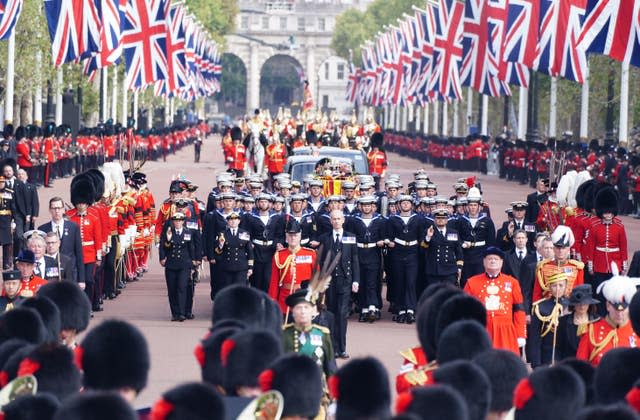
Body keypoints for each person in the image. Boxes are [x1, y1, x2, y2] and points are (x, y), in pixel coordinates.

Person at [464, 246, 527, 355]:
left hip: (506, 331)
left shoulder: (512, 282)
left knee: (506, 363)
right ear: (484, 262)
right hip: (482, 330)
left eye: (496, 259)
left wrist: (520, 334)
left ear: (501, 262)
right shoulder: (472, 282)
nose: (492, 261)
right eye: (489, 258)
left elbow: (519, 310)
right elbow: (464, 310)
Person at [318, 210, 359, 359]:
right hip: (330, 282)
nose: (336, 221)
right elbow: (321, 262)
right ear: (330, 221)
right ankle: (333, 348)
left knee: (342, 314)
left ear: (343, 220)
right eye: (333, 219)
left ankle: (342, 348)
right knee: (332, 314)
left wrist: (356, 280)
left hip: (345, 280)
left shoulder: (351, 237)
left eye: (338, 218)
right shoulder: (325, 238)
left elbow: (355, 259)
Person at [576, 275, 638, 366]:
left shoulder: (637, 331)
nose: (619, 314)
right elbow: (580, 367)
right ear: (608, 306)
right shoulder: (591, 330)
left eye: (623, 310)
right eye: (616, 309)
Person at [282, 287, 336, 380]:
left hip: (317, 390)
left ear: (313, 310)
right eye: (299, 308)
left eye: (306, 307)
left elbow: (331, 368)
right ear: (292, 311)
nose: (303, 311)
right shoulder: (283, 334)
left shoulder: (323, 334)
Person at [269, 219, 316, 312]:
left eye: (295, 235)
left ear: (300, 236)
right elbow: (274, 281)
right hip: (285, 299)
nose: (293, 238)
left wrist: (317, 300)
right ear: (286, 236)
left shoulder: (311, 254)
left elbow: (316, 279)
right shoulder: (279, 255)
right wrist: (272, 300)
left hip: (304, 298)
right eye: (290, 235)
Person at [159, 212, 198, 322]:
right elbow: (163, 246)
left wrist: (194, 261)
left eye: (180, 221)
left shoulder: (187, 232)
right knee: (172, 289)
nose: (178, 222)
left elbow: (192, 248)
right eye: (176, 221)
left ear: (183, 221)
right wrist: (162, 257)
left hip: (184, 264)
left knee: (182, 287)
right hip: (171, 263)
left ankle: (182, 313)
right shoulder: (169, 232)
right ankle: (175, 313)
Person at [38, 196, 85, 287]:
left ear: (63, 210)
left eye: (59, 208)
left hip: (70, 272)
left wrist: (81, 279)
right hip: (50, 275)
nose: (57, 211)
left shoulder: (73, 227)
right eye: (54, 208)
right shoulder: (42, 229)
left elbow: (79, 254)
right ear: (50, 210)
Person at [533, 225, 584, 303]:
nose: (560, 251)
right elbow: (537, 293)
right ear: (553, 248)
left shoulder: (577, 268)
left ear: (568, 249)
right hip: (547, 308)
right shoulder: (543, 267)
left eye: (563, 248)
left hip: (569, 307)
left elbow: (579, 293)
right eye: (558, 248)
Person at [528, 272, 570, 367]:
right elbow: (535, 338)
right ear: (550, 288)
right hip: (547, 356)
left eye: (561, 285)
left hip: (568, 356)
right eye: (554, 286)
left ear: (566, 286)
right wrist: (536, 364)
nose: (558, 289)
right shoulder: (540, 307)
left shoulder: (572, 305)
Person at [556, 284, 600, 361]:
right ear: (573, 305)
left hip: (590, 366)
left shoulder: (598, 321)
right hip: (569, 366)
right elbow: (558, 348)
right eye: (579, 304)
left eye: (585, 303)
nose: (582, 307)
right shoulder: (563, 322)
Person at [212, 212, 253, 293]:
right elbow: (217, 252)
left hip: (241, 267)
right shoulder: (222, 234)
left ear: (239, 221)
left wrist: (250, 267)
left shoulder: (245, 233)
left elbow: (249, 252)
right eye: (231, 220)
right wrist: (221, 245)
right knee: (228, 290)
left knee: (240, 290)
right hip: (227, 266)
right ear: (228, 221)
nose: (233, 221)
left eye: (235, 219)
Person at [424, 208, 463, 286]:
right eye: (438, 218)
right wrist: (428, 237)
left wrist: (459, 268)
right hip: (434, 270)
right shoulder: (429, 231)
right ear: (434, 220)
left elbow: (459, 252)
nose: (441, 220)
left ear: (447, 220)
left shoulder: (453, 232)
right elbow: (422, 249)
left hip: (450, 270)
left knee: (449, 295)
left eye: (443, 218)